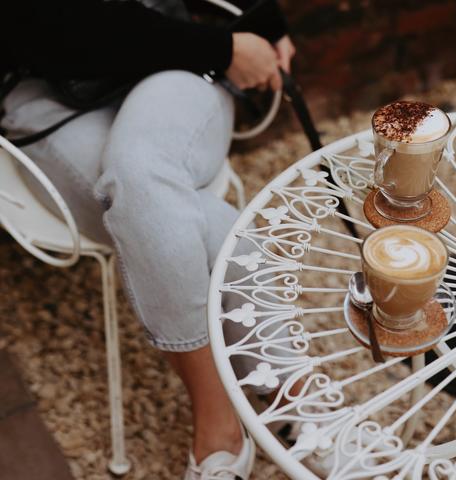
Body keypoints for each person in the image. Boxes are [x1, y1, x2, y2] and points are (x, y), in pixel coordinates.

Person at [1, 0, 295, 478]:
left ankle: (229, 428)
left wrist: (264, 24)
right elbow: (42, 25)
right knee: (157, 197)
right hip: (45, 87)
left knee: (142, 174)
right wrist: (223, 46)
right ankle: (282, 396)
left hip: (171, 66)